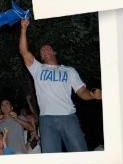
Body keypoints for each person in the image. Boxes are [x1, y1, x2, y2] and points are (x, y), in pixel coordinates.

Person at [19, 18, 102, 153]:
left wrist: (92, 95)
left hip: (69, 118)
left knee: (80, 155)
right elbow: (24, 51)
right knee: (51, 160)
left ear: (54, 52)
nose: (45, 49)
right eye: (42, 50)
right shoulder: (37, 69)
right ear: (41, 56)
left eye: (48, 48)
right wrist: (23, 29)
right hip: (47, 120)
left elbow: (81, 92)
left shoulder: (69, 71)